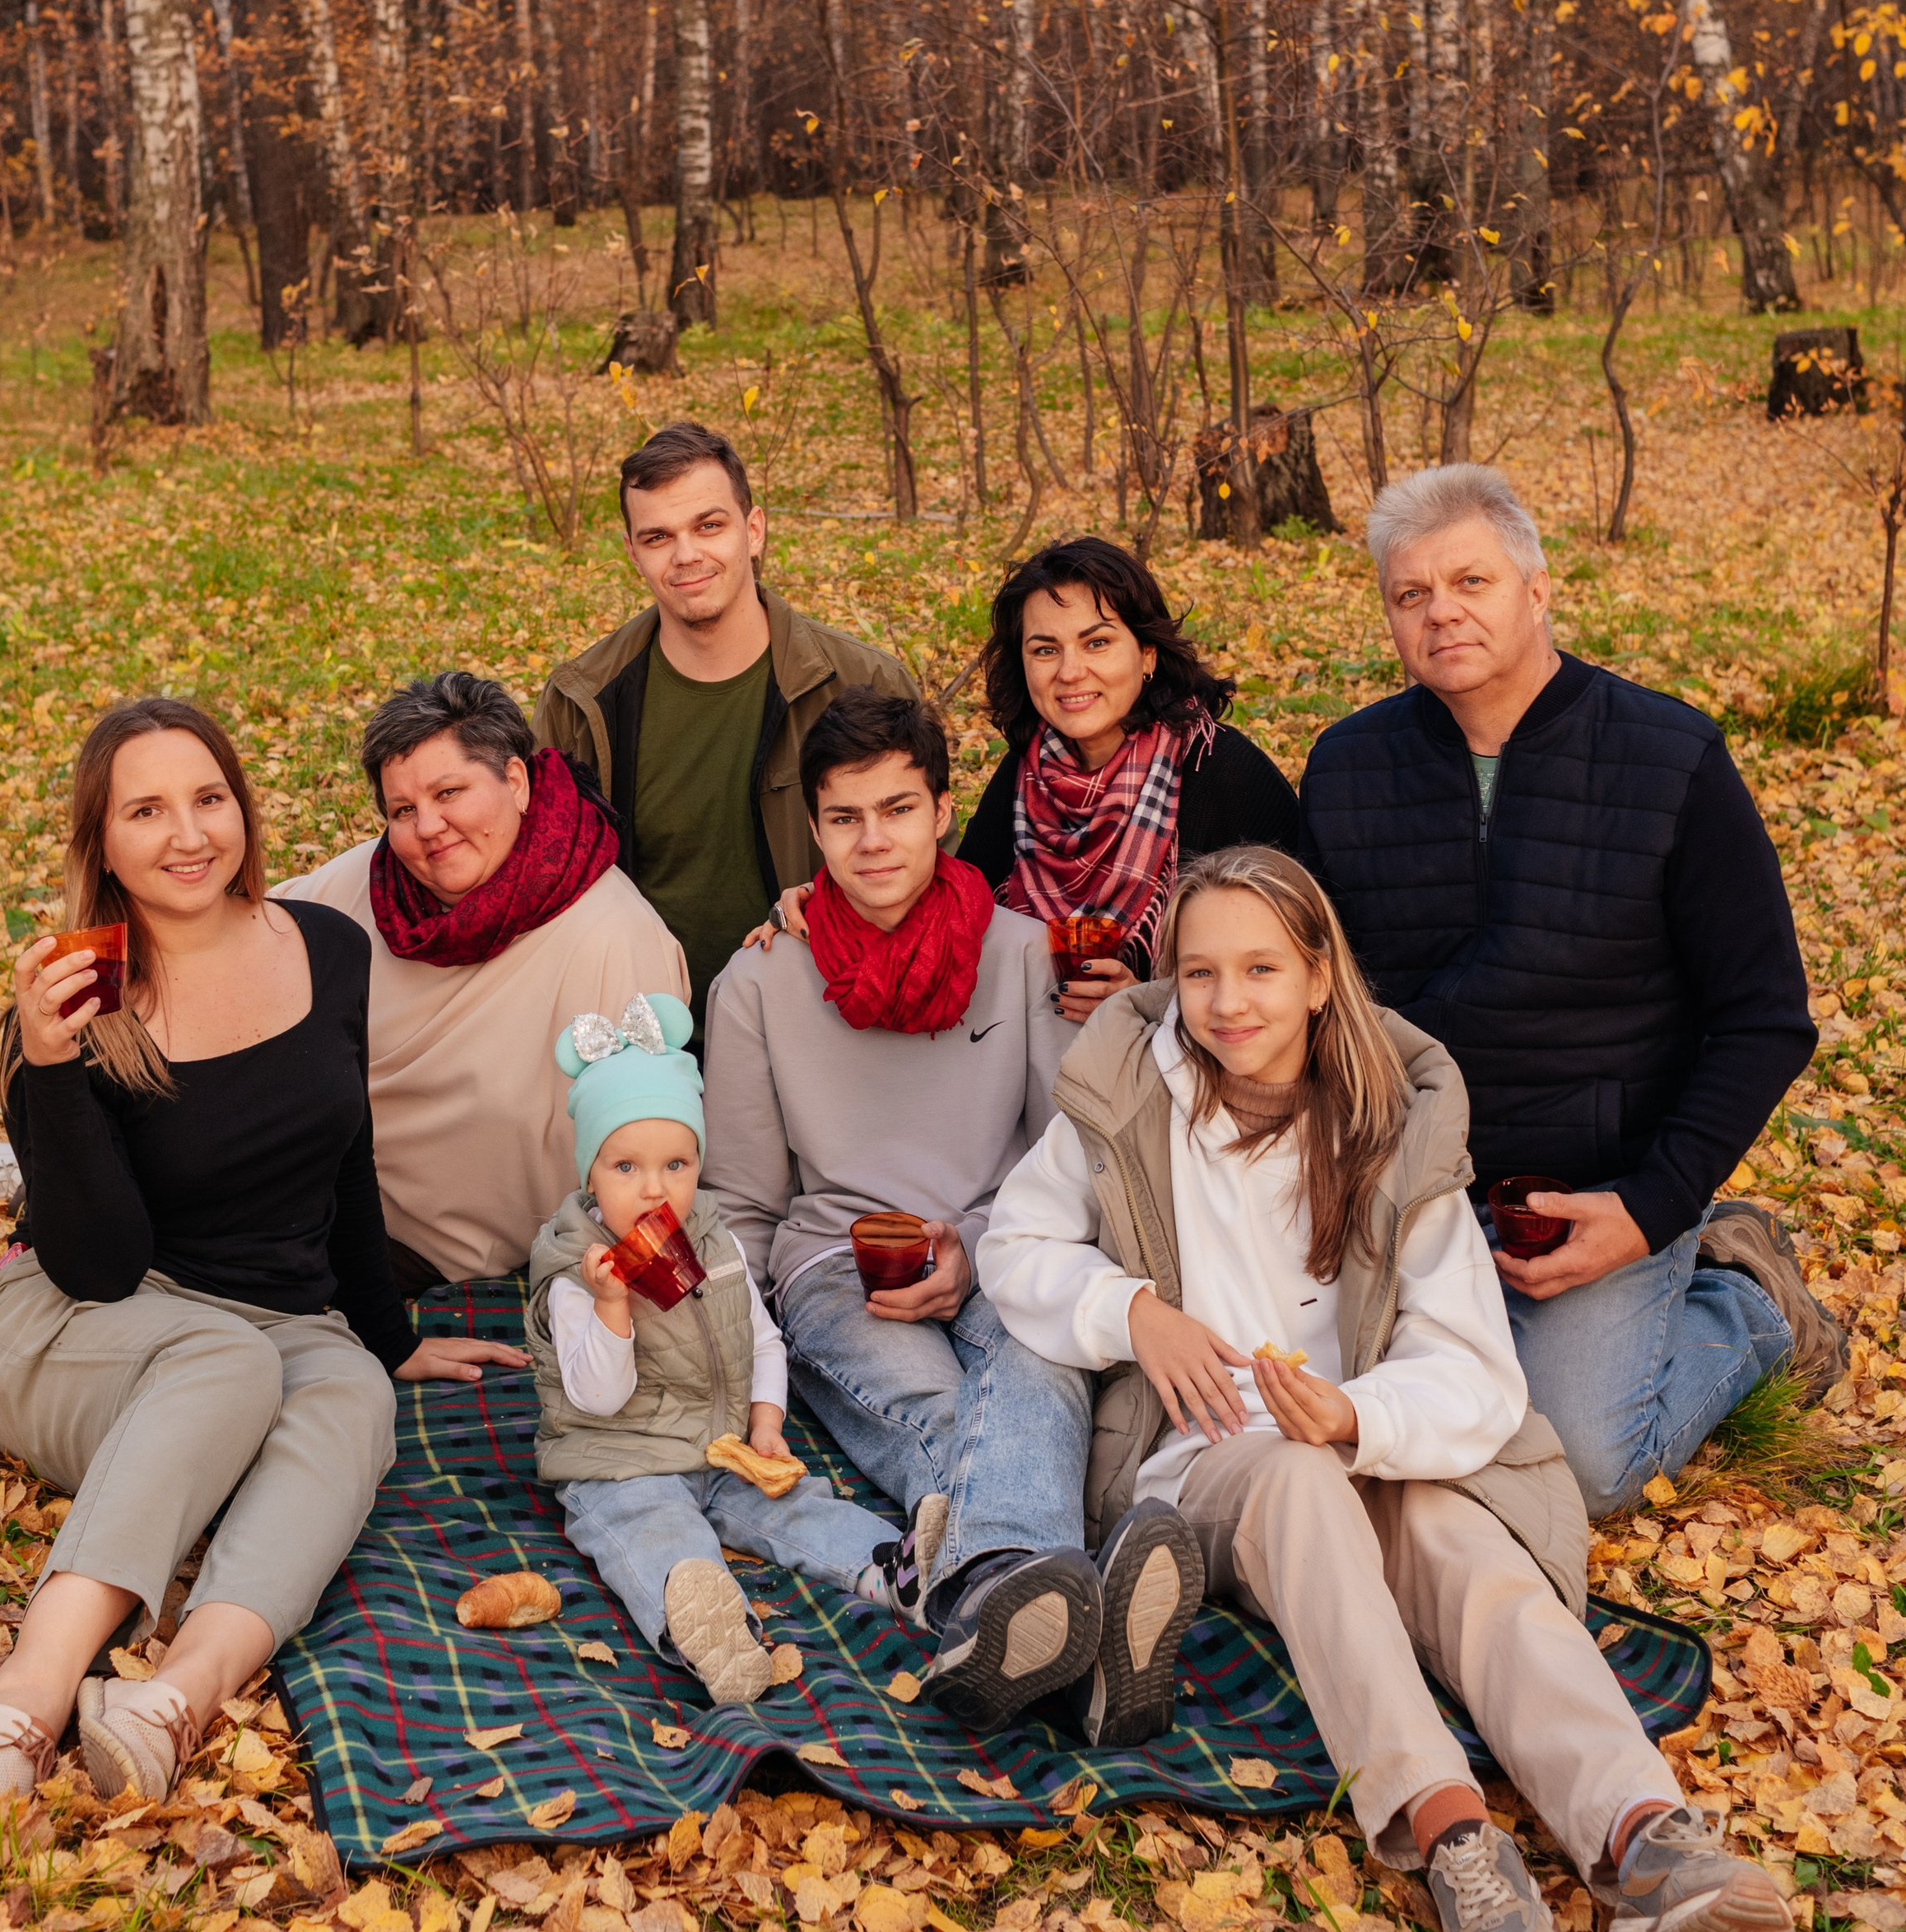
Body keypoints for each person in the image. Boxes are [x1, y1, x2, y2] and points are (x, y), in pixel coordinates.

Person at [979, 848, 1797, 1932]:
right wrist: (1134, 1310)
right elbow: (1016, 1247)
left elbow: (1471, 1361)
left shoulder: (1396, 1124)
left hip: (1369, 1435)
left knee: (1475, 1561)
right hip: (1209, 1458)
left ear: (1320, 975)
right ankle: (1458, 1845)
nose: (1229, 1000)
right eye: (1200, 970)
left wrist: (1362, 1412)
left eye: (1261, 966)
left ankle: (1645, 1837)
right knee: (1300, 1485)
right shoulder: (1126, 1093)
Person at [0, 698, 522, 1832]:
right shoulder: (77, 999)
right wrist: (52, 1068)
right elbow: (96, 1263)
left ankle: (173, 1697)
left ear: (243, 806)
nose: (188, 832)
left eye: (208, 797)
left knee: (351, 1397)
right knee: (227, 1361)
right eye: (146, 809)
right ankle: (21, 1695)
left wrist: (389, 1337)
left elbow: (346, 1163)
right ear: (102, 843)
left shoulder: (326, 948)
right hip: (78, 1326)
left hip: (272, 1320)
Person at [1299, 464, 1836, 1516]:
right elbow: (1327, 998)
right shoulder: (1347, 766)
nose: (1441, 610)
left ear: (1535, 591)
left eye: (1471, 581)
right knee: (1355, 1422)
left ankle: (1744, 1301)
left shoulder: (1668, 756)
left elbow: (1764, 1018)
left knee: (1582, 1464)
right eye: (1411, 595)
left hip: (1601, 1182)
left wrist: (1649, 1207)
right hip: (1417, 1181)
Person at [704, 687, 1206, 1740]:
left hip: (1001, 1241)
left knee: (1036, 1373)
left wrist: (974, 1250)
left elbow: (1055, 1159)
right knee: (939, 1412)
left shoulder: (1026, 957)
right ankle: (1075, 1623)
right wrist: (730, 1349)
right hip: (840, 1265)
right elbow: (747, 1199)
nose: (871, 840)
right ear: (815, 828)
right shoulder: (760, 978)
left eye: (896, 809)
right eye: (844, 818)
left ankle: (995, 1607)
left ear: (941, 810)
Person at [528, 992, 930, 1704]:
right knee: (657, 1533)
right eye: (626, 1167)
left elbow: (763, 1339)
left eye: (677, 1163)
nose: (655, 1188)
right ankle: (717, 1633)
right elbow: (596, 1394)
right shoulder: (574, 1268)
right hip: (621, 1463)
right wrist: (612, 1304)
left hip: (716, 1448)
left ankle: (900, 1567)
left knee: (797, 1503)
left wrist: (766, 1423)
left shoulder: (716, 1241)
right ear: (589, 1171)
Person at [282, 673, 686, 1292]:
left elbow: (657, 1158)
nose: (428, 827)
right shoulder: (367, 884)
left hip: (459, 1263)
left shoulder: (614, 938)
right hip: (316, 1208)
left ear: (517, 782)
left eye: (450, 792)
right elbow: (244, 935)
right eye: (402, 810)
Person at [533, 420, 918, 1030]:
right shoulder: (583, 703)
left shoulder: (861, 682)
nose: (687, 555)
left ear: (754, 530)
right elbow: (538, 886)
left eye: (709, 525)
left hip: (824, 1021)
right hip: (643, 1040)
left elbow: (932, 868)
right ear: (633, 551)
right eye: (658, 536)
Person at [956, 537, 1299, 1024]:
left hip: (1197, 1069)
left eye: (1097, 642)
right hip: (1037, 1056)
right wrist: (825, 909)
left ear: (1147, 655)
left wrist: (1152, 1000)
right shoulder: (1022, 773)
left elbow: (1298, 961)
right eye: (1045, 649)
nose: (1070, 672)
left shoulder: (1222, 770)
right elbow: (956, 906)